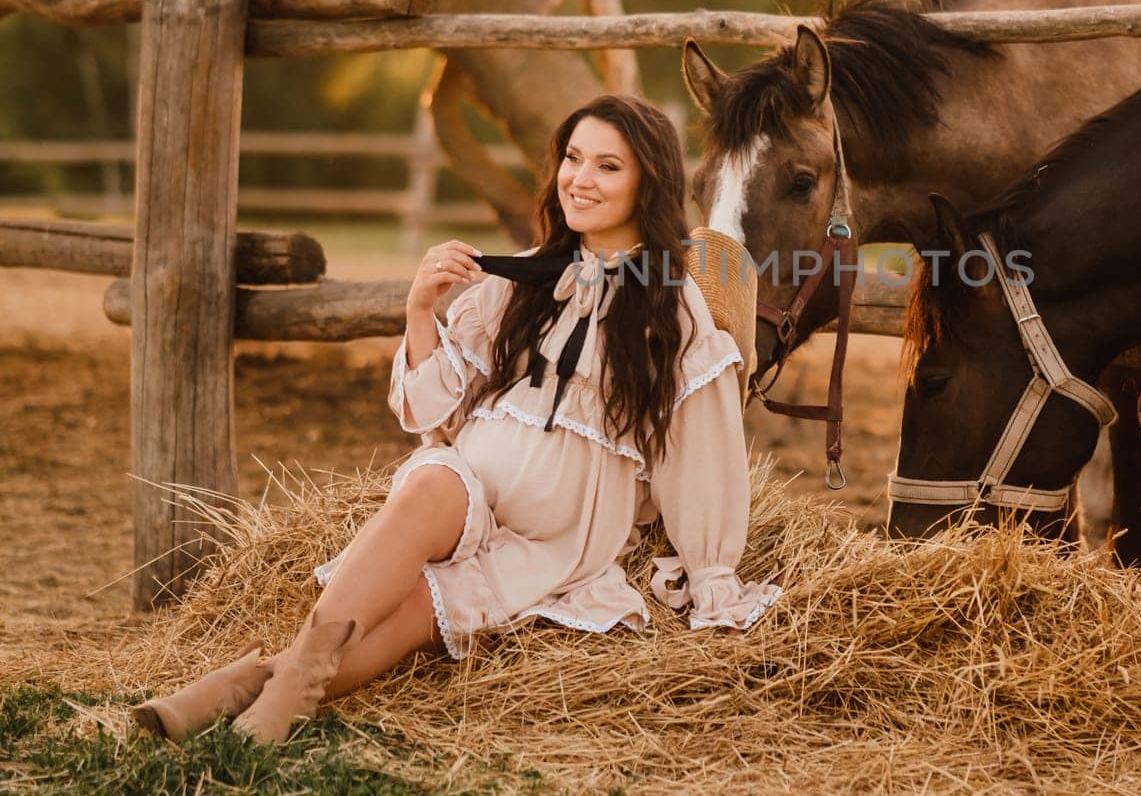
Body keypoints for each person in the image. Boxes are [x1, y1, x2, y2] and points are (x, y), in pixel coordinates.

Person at [133, 94, 778, 744]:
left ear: (649, 182)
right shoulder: (523, 280)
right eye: (574, 159)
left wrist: (711, 571)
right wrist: (420, 311)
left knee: (418, 608)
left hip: (558, 538)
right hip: (468, 491)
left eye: (608, 166)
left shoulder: (674, 305)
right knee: (432, 481)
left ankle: (249, 685)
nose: (580, 179)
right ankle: (286, 691)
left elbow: (700, 451)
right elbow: (431, 411)